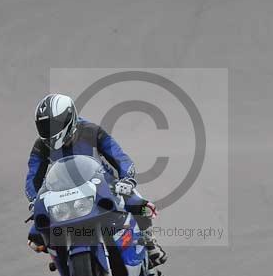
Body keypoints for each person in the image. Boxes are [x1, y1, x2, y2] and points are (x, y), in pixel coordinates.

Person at [25, 93, 167, 266]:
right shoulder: (41, 146)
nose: (49, 131)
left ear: (68, 119)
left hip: (101, 184)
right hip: (62, 194)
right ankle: (62, 258)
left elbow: (119, 157)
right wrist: (34, 199)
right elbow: (33, 176)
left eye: (53, 125)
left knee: (141, 206)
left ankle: (149, 242)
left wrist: (126, 180)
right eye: (44, 126)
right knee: (35, 238)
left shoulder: (91, 131)